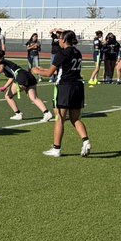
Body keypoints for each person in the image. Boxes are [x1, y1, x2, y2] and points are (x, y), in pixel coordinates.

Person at [32, 30, 90, 158]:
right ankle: (86, 141)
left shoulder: (62, 53)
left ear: (64, 40)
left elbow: (49, 74)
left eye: (60, 38)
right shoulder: (77, 52)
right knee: (75, 119)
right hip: (78, 86)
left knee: (59, 118)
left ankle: (56, 148)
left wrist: (36, 71)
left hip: (65, 87)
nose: (58, 40)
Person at [0, 51, 53, 121]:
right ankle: (47, 113)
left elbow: (0, 69)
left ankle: (18, 114)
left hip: (21, 77)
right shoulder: (7, 64)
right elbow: (12, 77)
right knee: (34, 98)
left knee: (8, 96)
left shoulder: (2, 63)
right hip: (28, 75)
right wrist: (5, 86)